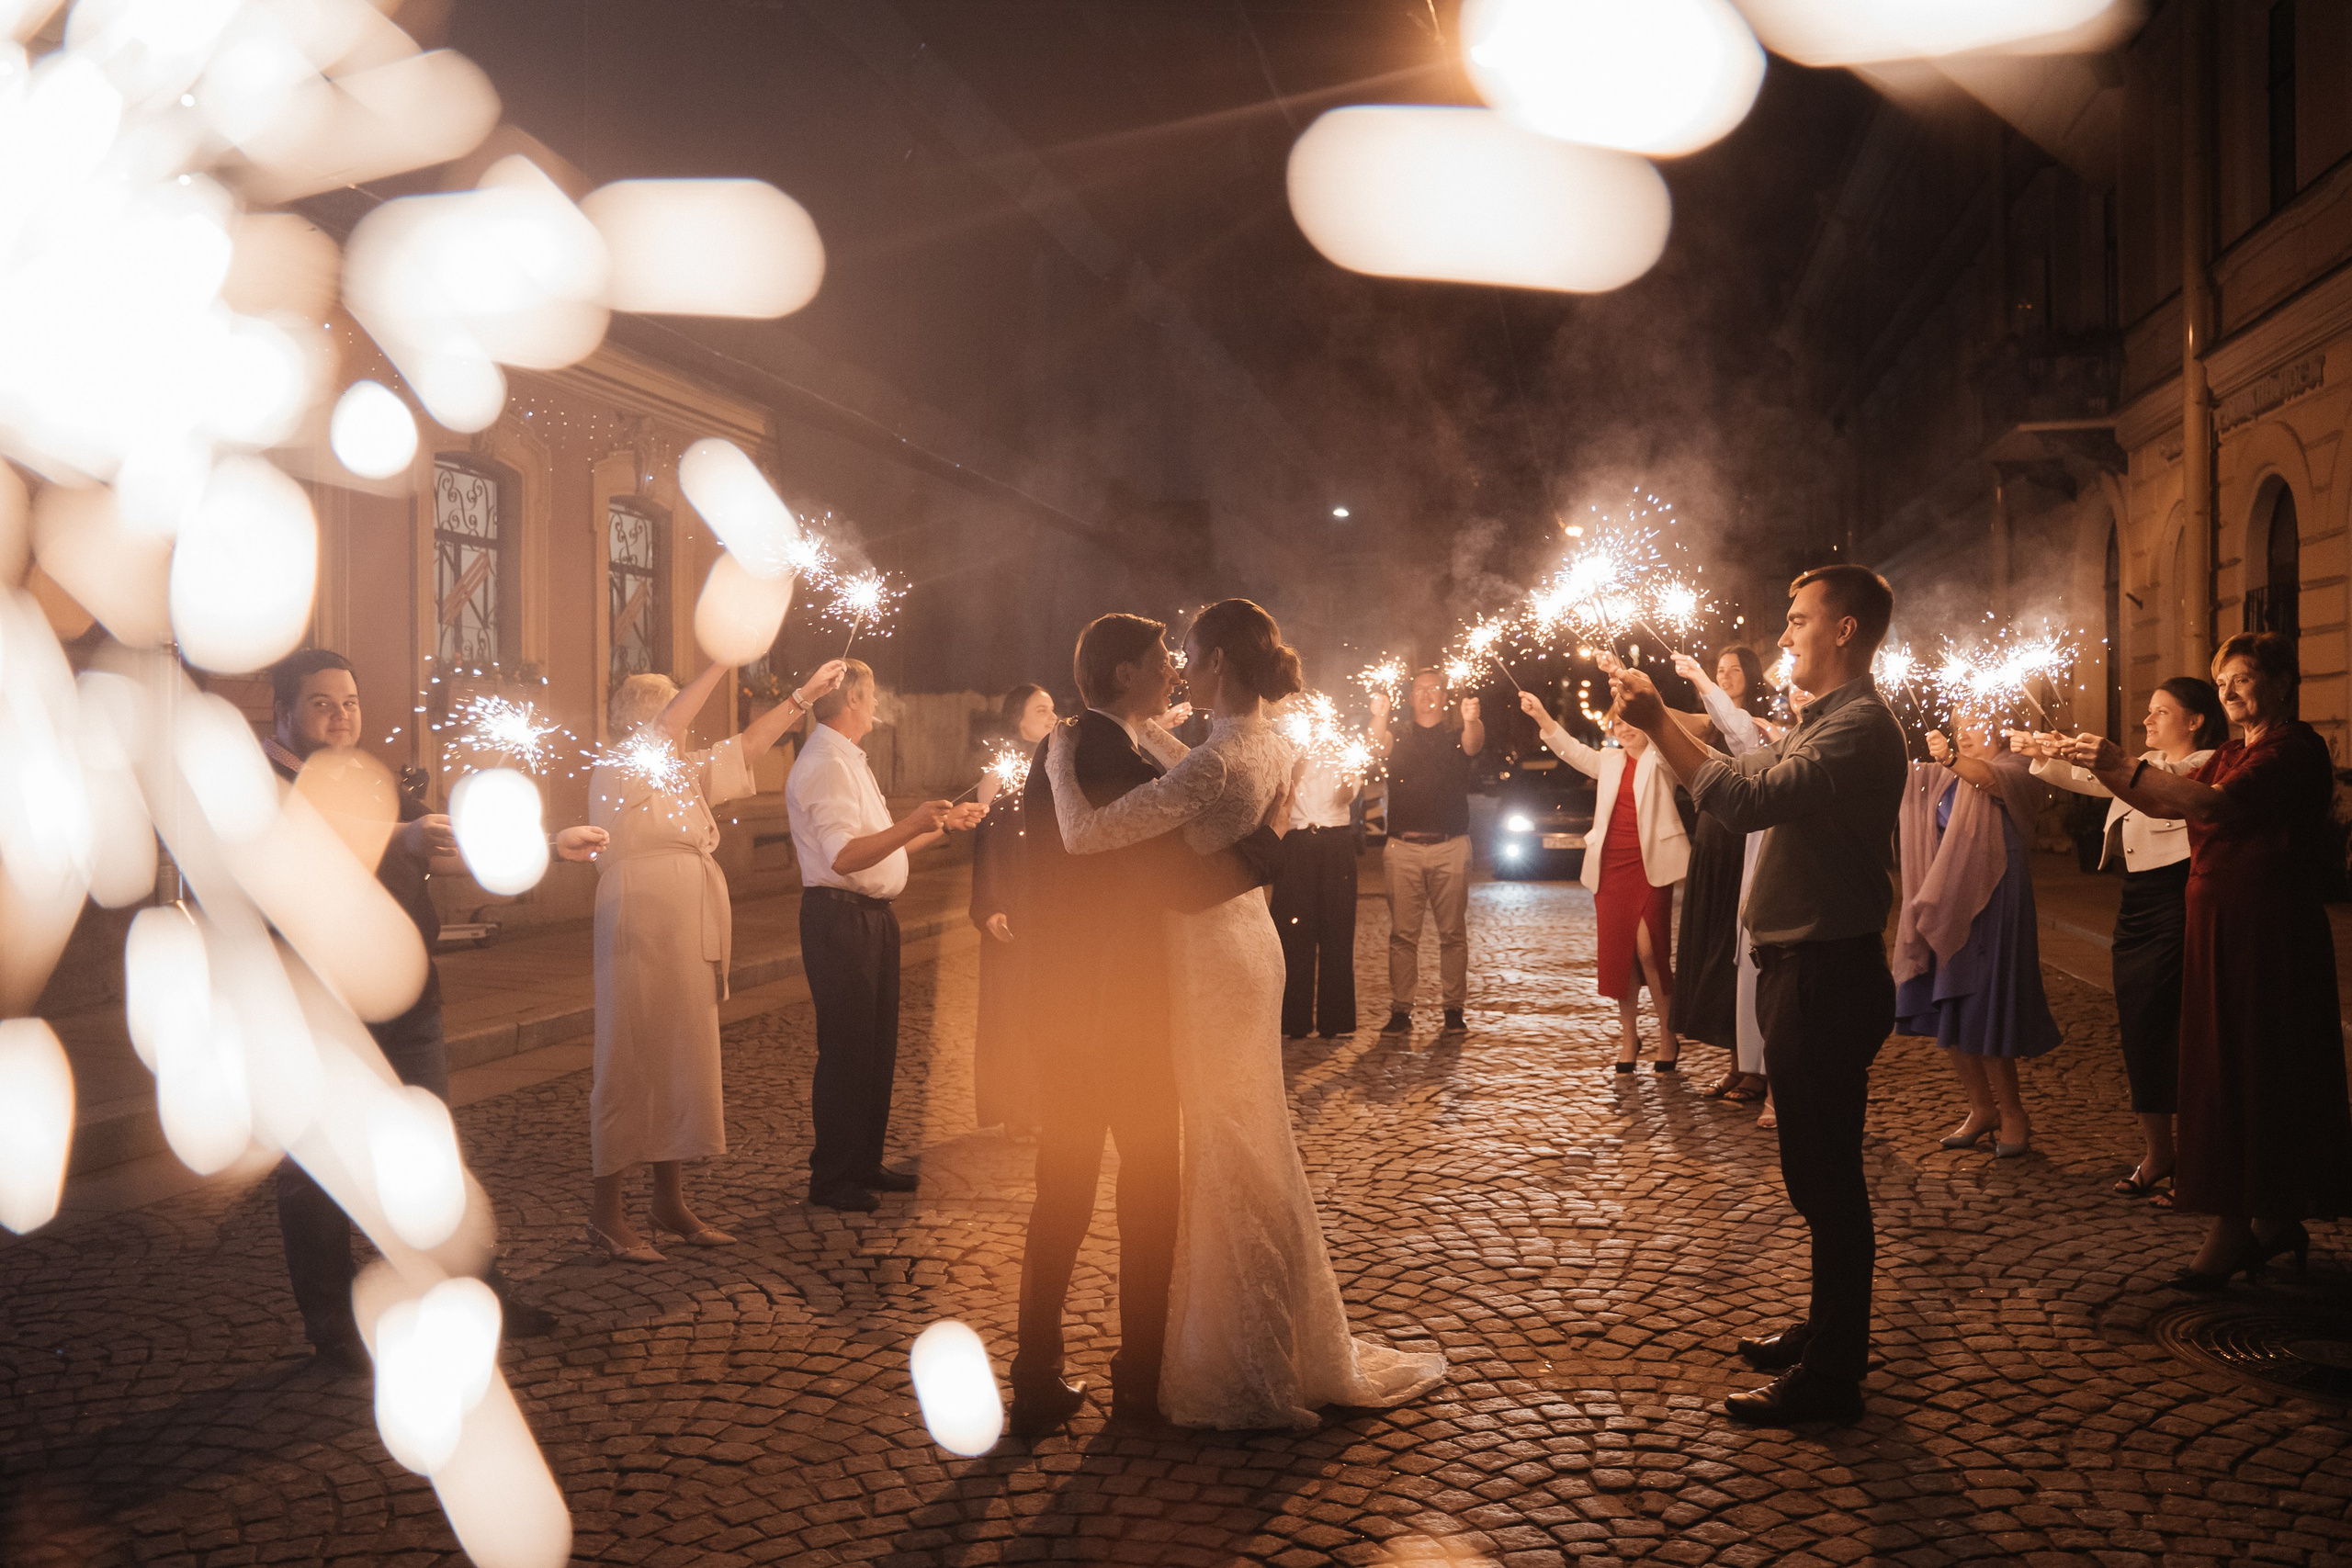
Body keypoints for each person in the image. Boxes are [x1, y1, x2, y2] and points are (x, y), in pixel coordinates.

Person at [1041, 598, 1447, 1430]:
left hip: (1209, 959)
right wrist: (1152, 730)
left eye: (1189, 655)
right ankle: (1267, 1329)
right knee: (1248, 1132)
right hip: (1246, 944)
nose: (1180, 668)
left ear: (1219, 661)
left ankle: (1245, 1351)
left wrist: (1054, 759)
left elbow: (1084, 834)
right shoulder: (1269, 741)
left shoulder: (1215, 762)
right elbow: (1190, 762)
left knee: (1225, 1140)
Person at [1611, 564, 1906, 1427]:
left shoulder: (1858, 727)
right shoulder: (1823, 719)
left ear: (1844, 629)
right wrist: (1668, 717)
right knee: (1815, 1174)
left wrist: (1658, 720)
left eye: (1799, 618)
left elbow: (1742, 800)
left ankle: (1834, 1374)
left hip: (1826, 974)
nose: (1784, 634)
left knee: (1828, 1179)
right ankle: (1827, 1328)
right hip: (1803, 969)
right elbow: (1742, 763)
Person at [264, 649, 603, 1371]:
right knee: (319, 1168)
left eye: (351, 702)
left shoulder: (367, 778)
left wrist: (546, 844)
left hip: (409, 1004)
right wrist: (403, 836)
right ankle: (333, 1323)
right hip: (318, 1012)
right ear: (283, 712)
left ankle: (475, 1291)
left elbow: (445, 846)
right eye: (322, 703)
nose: (342, 716)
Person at [1008, 612, 1284, 1436]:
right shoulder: (1101, 756)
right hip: (1121, 1014)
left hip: (1064, 1009)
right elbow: (1181, 882)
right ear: (1124, 673)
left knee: (1063, 1191)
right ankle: (1137, 1380)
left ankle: (1037, 1373)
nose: (1173, 669)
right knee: (1148, 1188)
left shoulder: (1082, 746)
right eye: (1161, 658)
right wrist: (1272, 842)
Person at [2062, 632, 2352, 1289]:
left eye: (2242, 679)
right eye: (2222, 684)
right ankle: (2274, 1220)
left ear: (2282, 682)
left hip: (2266, 933)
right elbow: (2165, 800)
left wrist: (2122, 762)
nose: (2229, 693)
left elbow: (2213, 804)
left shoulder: (2292, 749)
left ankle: (2234, 1226)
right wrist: (2103, 767)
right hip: (2222, 928)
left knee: (2250, 1066)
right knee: (2233, 1062)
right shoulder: (2230, 751)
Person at [586, 656, 848, 1258]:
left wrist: (805, 694)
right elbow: (670, 724)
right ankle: (605, 1215)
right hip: (640, 917)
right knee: (630, 1057)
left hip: (685, 921)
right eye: (670, 711)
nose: (685, 724)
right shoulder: (623, 761)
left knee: (680, 1055)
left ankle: (668, 1202)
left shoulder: (680, 771)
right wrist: (722, 662)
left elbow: (750, 744)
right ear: (642, 719)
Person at [786, 660, 987, 1213]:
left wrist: (939, 825)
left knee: (875, 1049)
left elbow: (880, 847)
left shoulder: (848, 758)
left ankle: (863, 1163)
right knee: (847, 1051)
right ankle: (832, 1177)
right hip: (840, 920)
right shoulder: (826, 763)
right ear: (851, 699)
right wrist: (912, 822)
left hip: (870, 918)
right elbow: (844, 856)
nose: (878, 702)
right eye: (872, 693)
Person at [2020, 677, 2223, 1201]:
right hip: (2137, 901)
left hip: (2178, 897)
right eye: (2148, 711)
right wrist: (2046, 754)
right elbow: (2100, 781)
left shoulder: (2209, 762)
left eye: (2161, 712)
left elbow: (2159, 782)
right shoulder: (2145, 763)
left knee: (2175, 1024)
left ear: (2195, 720)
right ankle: (2159, 1152)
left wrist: (2104, 759)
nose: (2148, 720)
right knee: (2139, 1021)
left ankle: (2201, 1156)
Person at [1894, 718, 2062, 1156]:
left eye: (1975, 722)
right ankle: (1982, 1108)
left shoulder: (2018, 765)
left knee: (1985, 1003)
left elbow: (1989, 780)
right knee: (1948, 1001)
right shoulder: (1939, 774)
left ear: (2001, 726)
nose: (1963, 732)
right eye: (1958, 724)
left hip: (1993, 897)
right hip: (1946, 898)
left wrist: (1951, 758)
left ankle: (2013, 1113)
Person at [1518, 686, 1690, 1072]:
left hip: (1649, 865)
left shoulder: (1662, 758)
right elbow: (1571, 751)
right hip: (1611, 867)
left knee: (1650, 950)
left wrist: (1635, 691)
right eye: (1618, 723)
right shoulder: (1609, 761)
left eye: (1632, 722)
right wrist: (1542, 716)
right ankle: (1630, 1037)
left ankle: (1668, 1034)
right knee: (1620, 956)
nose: (1624, 729)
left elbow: (1675, 735)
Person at [1668, 649, 1773, 1103]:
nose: (1726, 676)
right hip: (1712, 844)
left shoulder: (1761, 726)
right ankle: (1738, 1063)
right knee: (1717, 956)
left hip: (1740, 847)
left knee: (1741, 958)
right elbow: (1667, 720)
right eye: (1719, 671)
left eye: (1735, 670)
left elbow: (1742, 734)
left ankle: (1758, 1071)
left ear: (1752, 675)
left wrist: (1700, 678)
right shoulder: (1709, 723)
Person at [1368, 669, 1483, 1035]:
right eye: (1420, 689)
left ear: (1445, 696)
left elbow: (1474, 744)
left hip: (1451, 846)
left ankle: (1453, 1010)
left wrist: (1472, 719)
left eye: (1434, 689)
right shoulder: (1398, 733)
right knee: (1403, 935)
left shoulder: (1456, 734)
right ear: (1410, 696)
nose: (1427, 694)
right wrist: (1379, 715)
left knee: (1452, 934)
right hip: (1403, 848)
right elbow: (1376, 745)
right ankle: (1401, 1010)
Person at [969, 682, 1058, 1132]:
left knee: (1051, 1005)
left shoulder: (1059, 765)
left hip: (1051, 905)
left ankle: (1049, 1105)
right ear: (1017, 719)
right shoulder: (1002, 772)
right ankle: (1017, 1109)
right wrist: (991, 906)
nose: (1051, 716)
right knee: (1013, 1007)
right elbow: (987, 845)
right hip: (1014, 904)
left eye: (1053, 709)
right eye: (1040, 710)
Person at [1273, 694, 1363, 1041]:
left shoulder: (1344, 751)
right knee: (1293, 933)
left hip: (1335, 841)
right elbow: (1281, 792)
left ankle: (1335, 1020)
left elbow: (1346, 797)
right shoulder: (1285, 750)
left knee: (1337, 931)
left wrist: (1347, 777)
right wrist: (1300, 758)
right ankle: (1293, 1021)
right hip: (1296, 843)